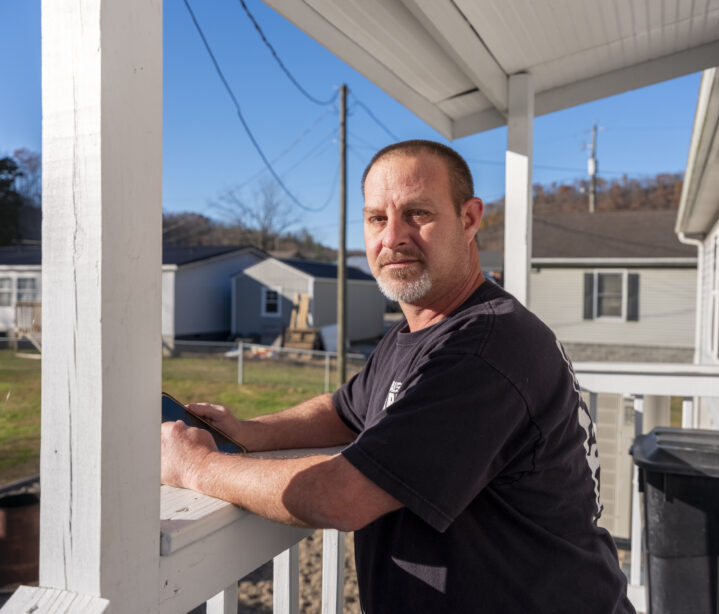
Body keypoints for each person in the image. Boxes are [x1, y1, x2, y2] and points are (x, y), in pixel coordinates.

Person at [161, 140, 635, 613]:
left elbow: (342, 496)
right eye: (376, 219)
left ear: (469, 219)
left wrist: (197, 467)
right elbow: (343, 411)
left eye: (417, 214)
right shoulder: (418, 331)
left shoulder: (484, 348)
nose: (392, 238)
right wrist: (250, 432)